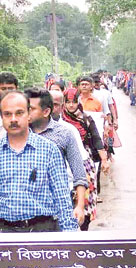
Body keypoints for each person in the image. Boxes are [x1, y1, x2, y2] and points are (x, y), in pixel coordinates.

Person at [0, 90, 79, 232]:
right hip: (2, 231)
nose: (13, 119)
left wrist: (69, 236)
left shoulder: (49, 150)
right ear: (1, 117)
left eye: (19, 113)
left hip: (42, 231)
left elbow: (62, 199)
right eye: (7, 114)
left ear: (28, 115)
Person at [25, 87, 89, 227]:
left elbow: (79, 174)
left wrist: (79, 207)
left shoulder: (65, 134)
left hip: (59, 206)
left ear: (46, 111)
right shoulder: (19, 134)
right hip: (26, 210)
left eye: (31, 109)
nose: (25, 113)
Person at [62, 87, 106, 230]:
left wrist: (104, 160)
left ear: (78, 101)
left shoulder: (86, 119)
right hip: (65, 161)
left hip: (85, 161)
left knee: (85, 195)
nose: (71, 105)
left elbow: (97, 139)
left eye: (73, 102)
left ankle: (85, 225)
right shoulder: (60, 122)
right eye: (67, 102)